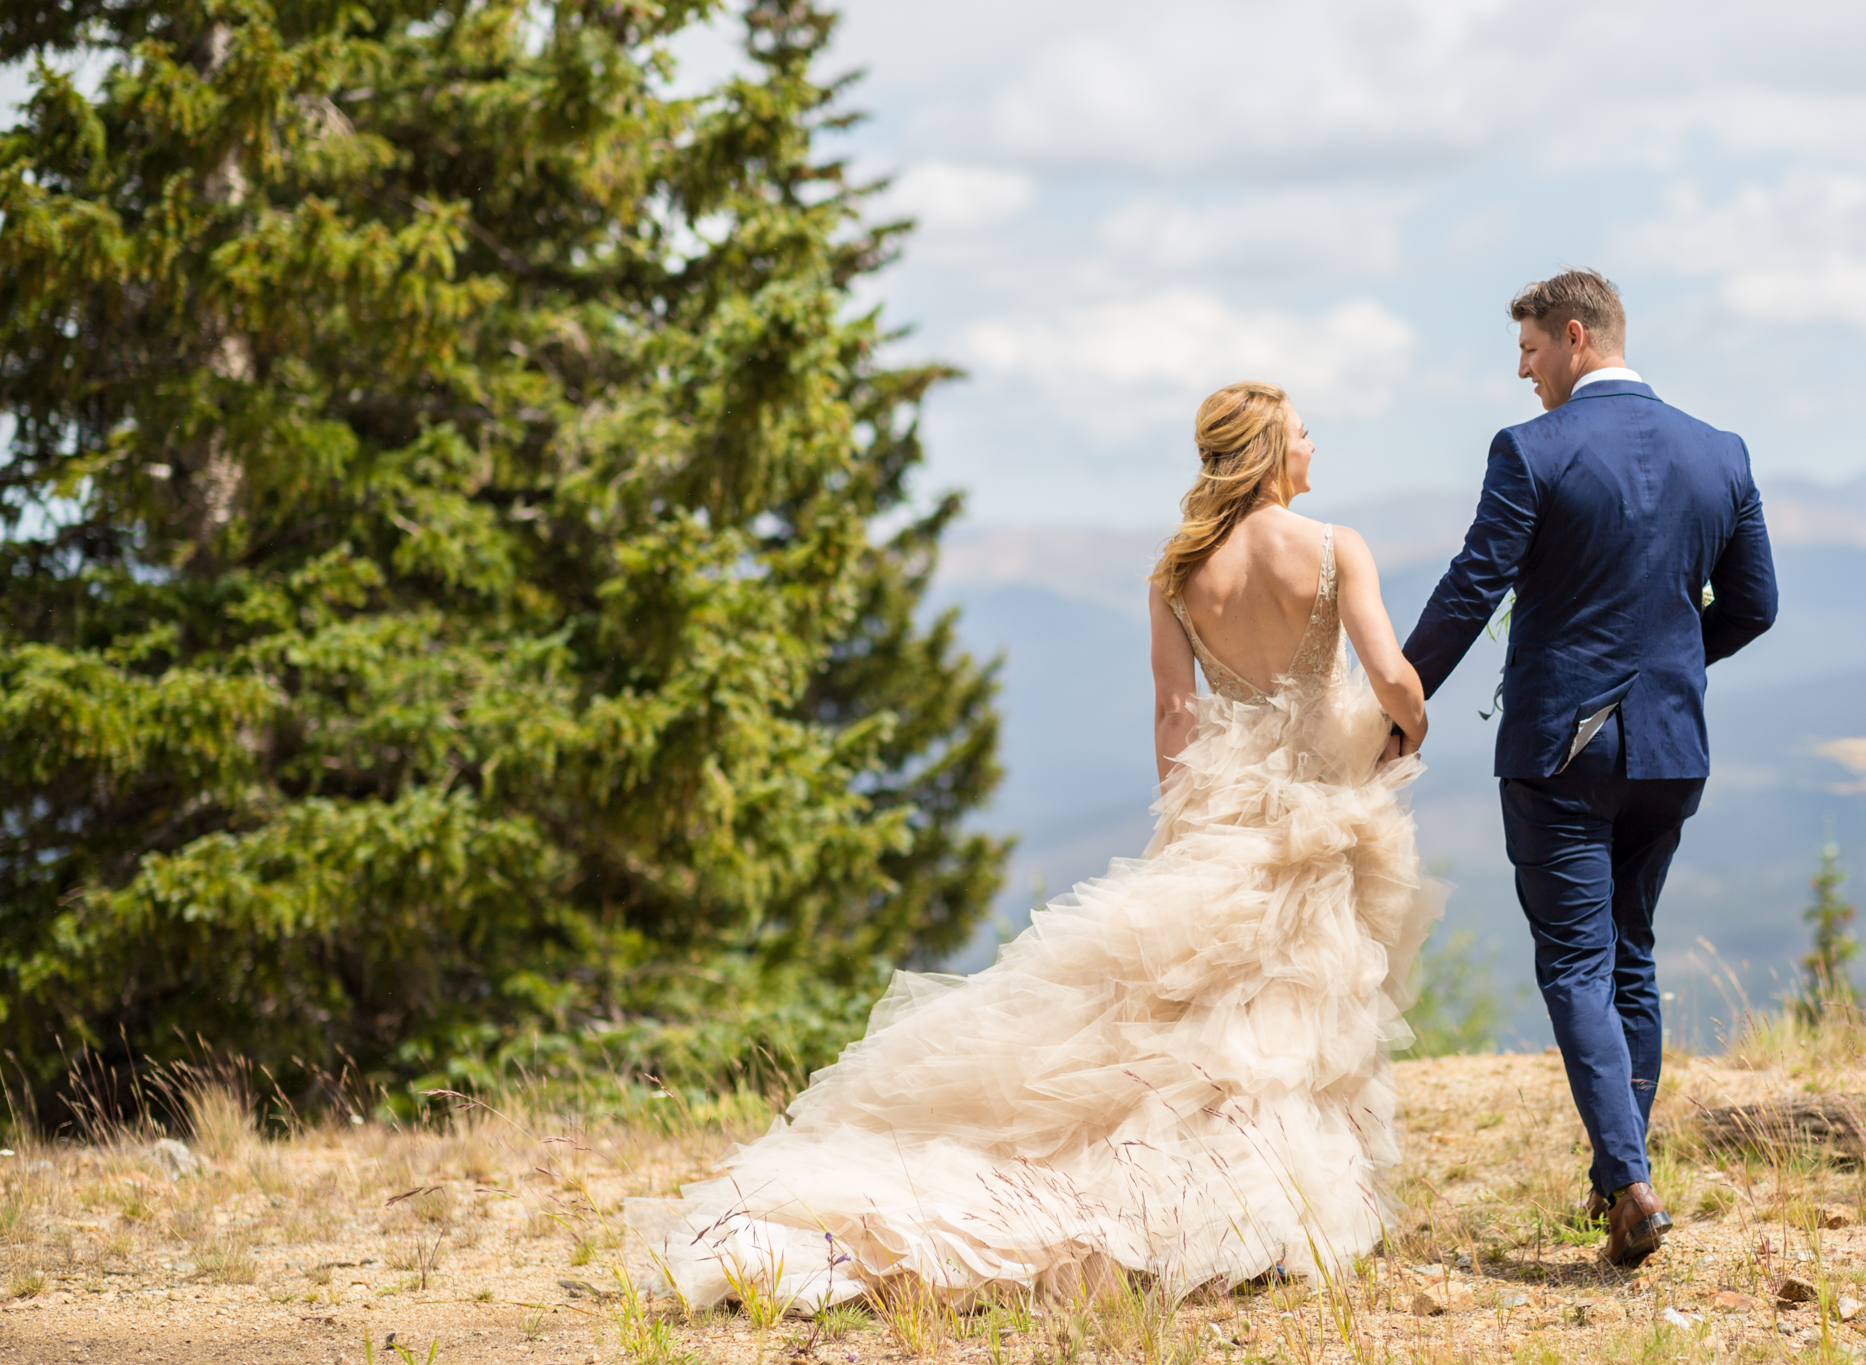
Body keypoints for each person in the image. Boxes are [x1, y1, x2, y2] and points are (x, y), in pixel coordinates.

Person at [625, 381, 1442, 1310]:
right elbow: (1391, 676)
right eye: (1303, 434)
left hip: (1224, 808)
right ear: (1268, 451)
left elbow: (1176, 716)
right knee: (1288, 1022)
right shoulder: (1335, 548)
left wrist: (1187, 824)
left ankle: (1228, 1207)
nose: (1313, 448)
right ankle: (1267, 1211)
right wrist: (1402, 731)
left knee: (1200, 1030)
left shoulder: (1175, 576)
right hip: (1320, 805)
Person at [1402, 270, 1778, 1266]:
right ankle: (1623, 1173)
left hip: (1558, 746)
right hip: (1670, 746)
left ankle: (1626, 1182)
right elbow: (1752, 606)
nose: (1521, 374)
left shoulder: (1532, 450)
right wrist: (1669, 661)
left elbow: (1474, 581)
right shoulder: (1720, 452)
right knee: (1632, 956)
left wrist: (1398, 700)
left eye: (1528, 351)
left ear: (1575, 336)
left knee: (1575, 963)